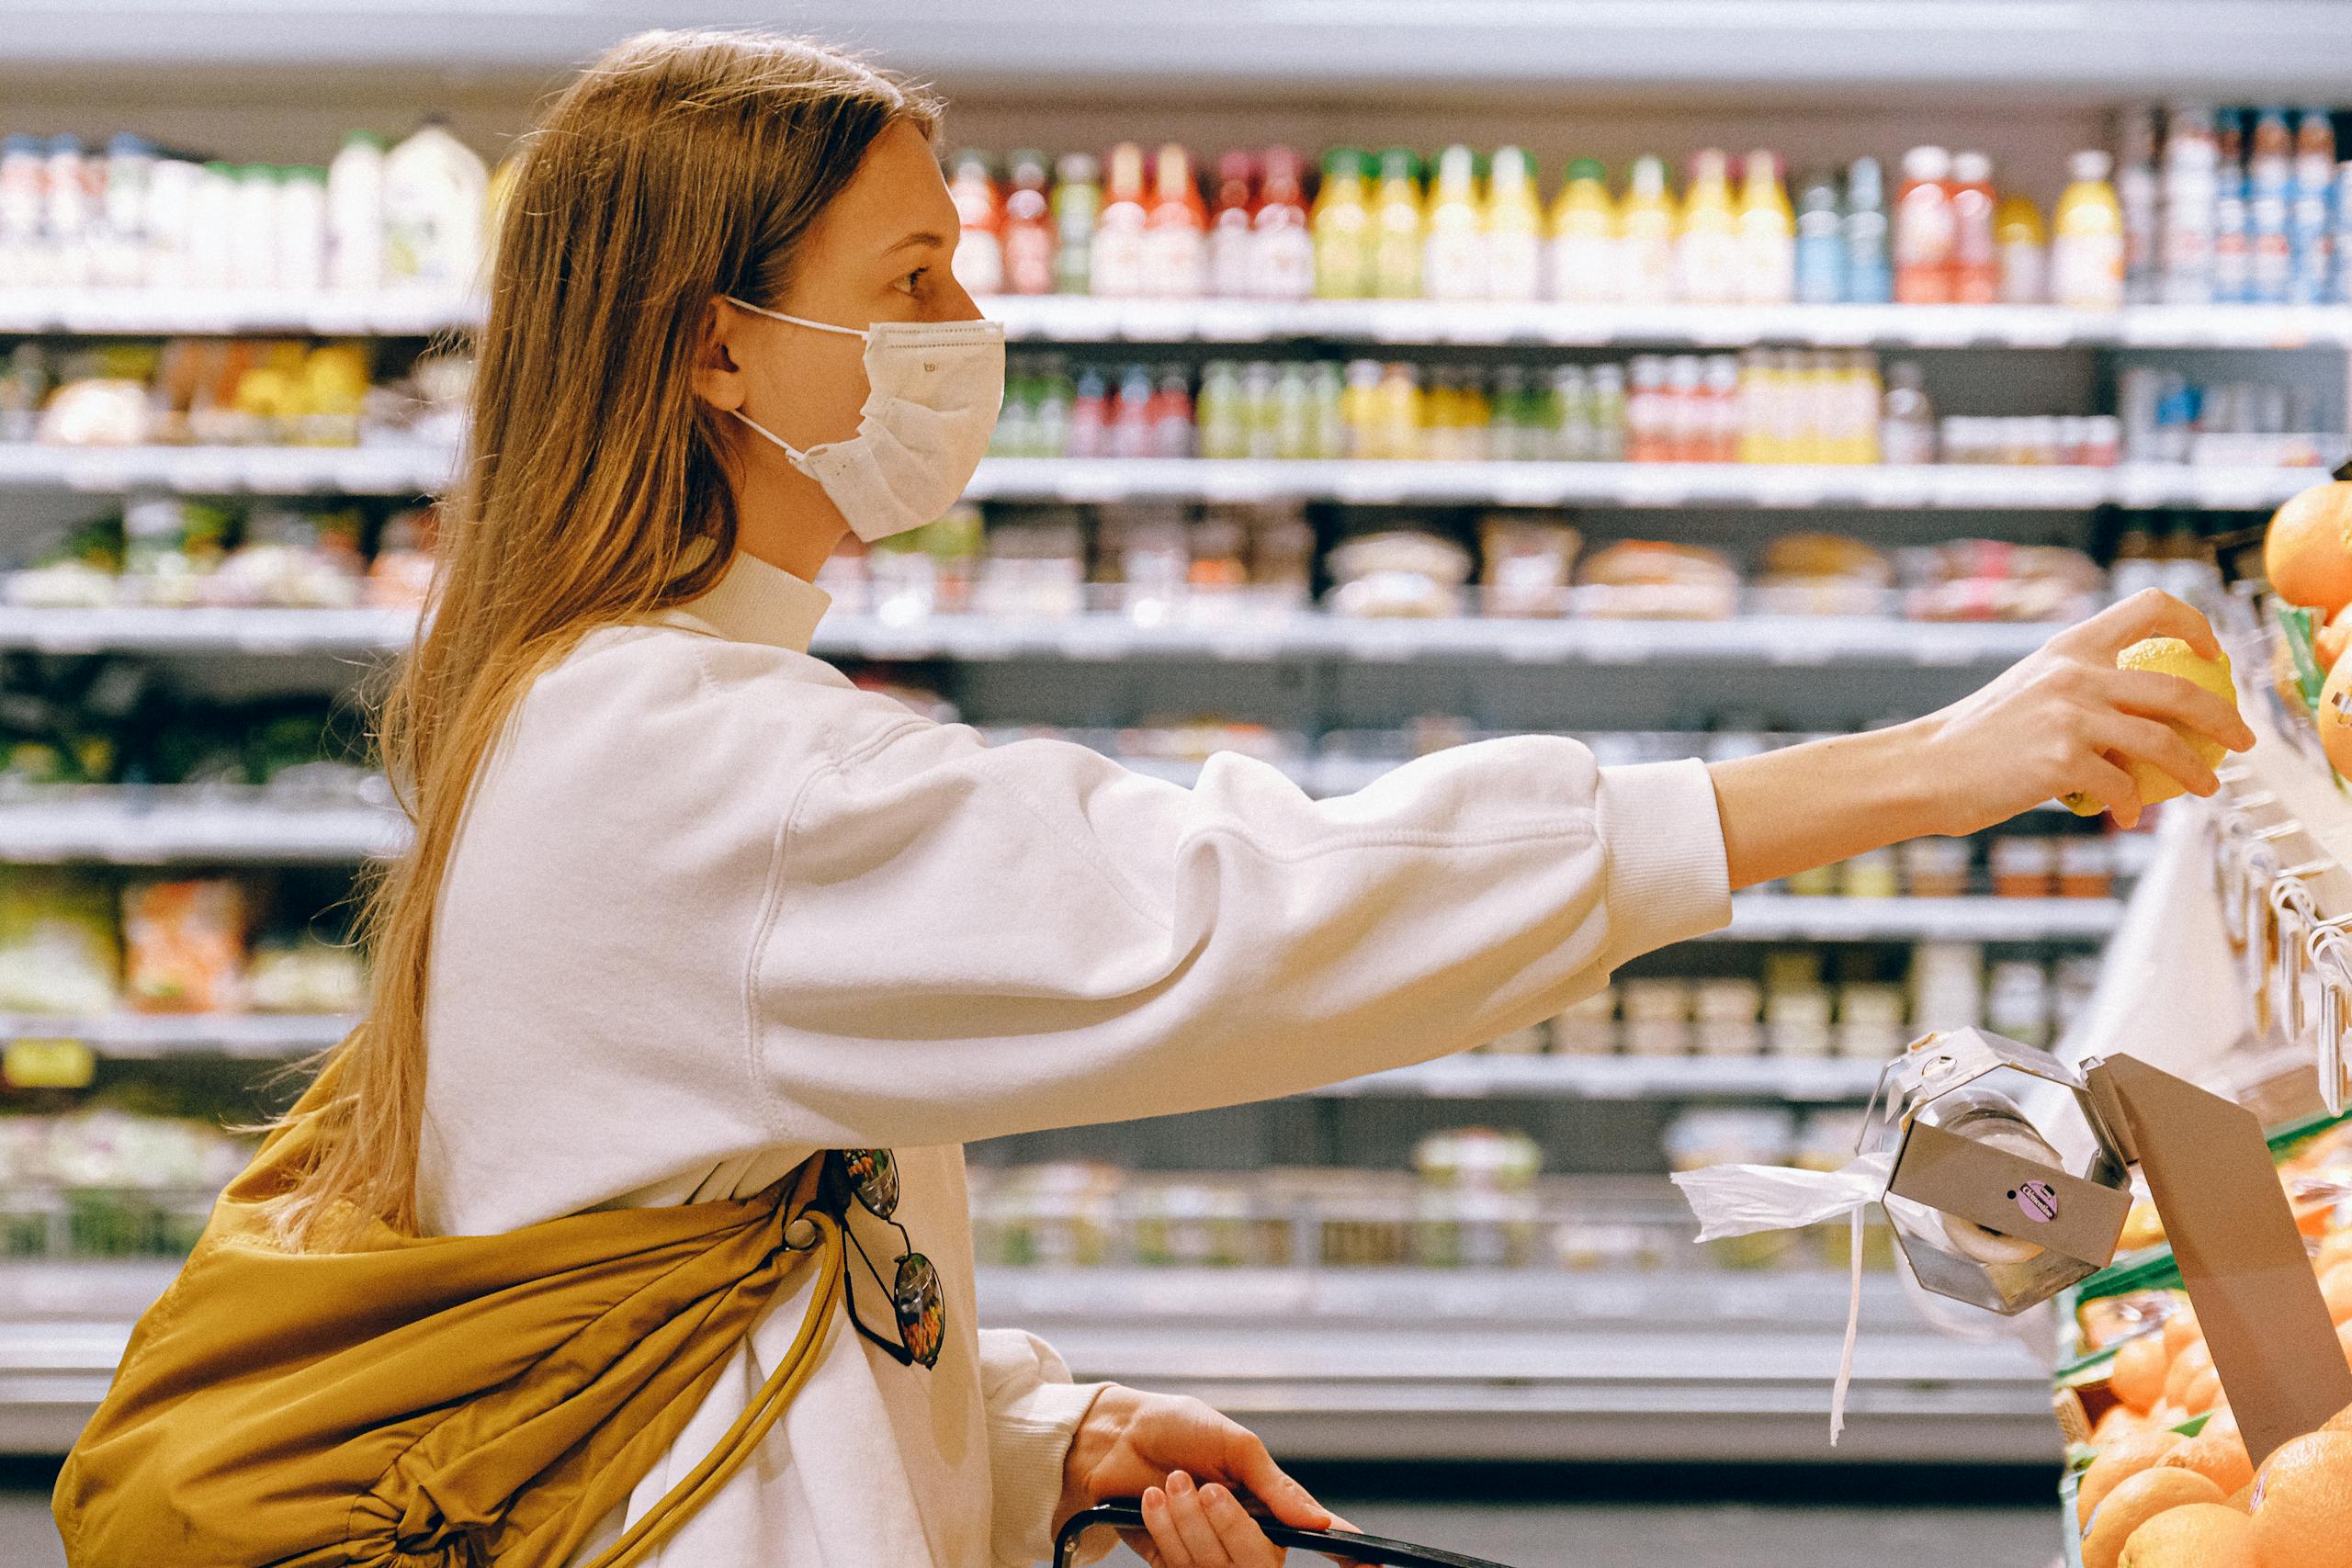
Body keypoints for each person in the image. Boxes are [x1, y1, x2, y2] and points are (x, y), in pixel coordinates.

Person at [64, 29, 2256, 1568]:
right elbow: (1232, 902)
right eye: (906, 281)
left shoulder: (628, 698)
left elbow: (711, 1237)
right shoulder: (674, 755)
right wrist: (1919, 768)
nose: (967, 324)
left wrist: (1032, 1437)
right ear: (713, 346)